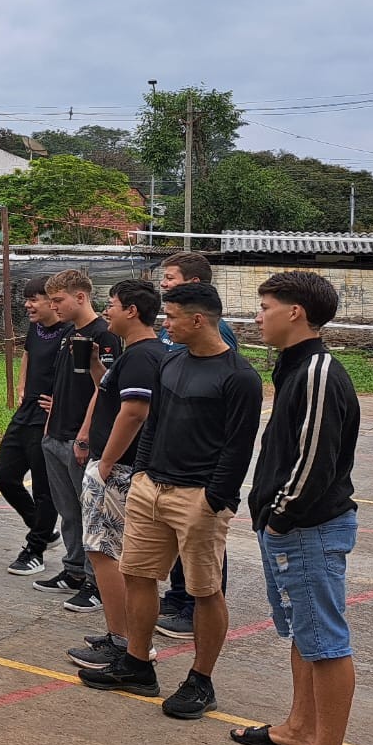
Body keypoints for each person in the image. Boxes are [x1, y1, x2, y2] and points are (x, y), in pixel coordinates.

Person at [79, 282, 264, 721]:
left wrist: (214, 499)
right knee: (138, 574)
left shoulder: (240, 376)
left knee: (204, 590)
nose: (166, 324)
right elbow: (154, 421)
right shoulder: (172, 360)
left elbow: (238, 449)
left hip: (198, 497)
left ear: (198, 319)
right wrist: (142, 473)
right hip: (150, 488)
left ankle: (201, 680)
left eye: (173, 317)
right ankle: (138, 665)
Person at [236, 271, 360, 745]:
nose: (257, 315)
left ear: (295, 313)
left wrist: (281, 515)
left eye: (265, 306)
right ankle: (299, 730)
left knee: (325, 641)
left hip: (308, 528)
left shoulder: (316, 372)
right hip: (290, 527)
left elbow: (315, 460)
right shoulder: (294, 367)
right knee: (304, 634)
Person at [66, 279, 167, 671]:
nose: (106, 311)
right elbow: (113, 397)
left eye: (112, 304)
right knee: (107, 552)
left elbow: (135, 412)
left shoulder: (143, 355)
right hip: (121, 467)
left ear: (132, 311)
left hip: (120, 470)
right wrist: (95, 367)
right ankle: (121, 635)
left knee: (105, 553)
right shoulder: (133, 355)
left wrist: (106, 462)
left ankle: (124, 640)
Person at [154, 251, 237, 641]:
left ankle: (194, 607)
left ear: (195, 286)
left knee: (202, 541)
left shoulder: (221, 342)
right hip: (168, 462)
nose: (164, 283)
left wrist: (217, 491)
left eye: (171, 278)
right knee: (173, 535)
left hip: (201, 469)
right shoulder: (174, 337)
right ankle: (177, 596)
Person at [37, 269, 122, 612]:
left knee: (91, 514)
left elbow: (103, 390)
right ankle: (73, 570)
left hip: (79, 437)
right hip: (56, 432)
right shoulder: (68, 333)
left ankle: (95, 581)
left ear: (81, 297)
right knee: (68, 510)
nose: (53, 306)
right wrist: (49, 423)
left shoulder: (105, 335)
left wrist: (85, 433)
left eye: (58, 300)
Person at [0, 276, 68, 576]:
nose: (27, 305)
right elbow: (28, 354)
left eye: (33, 299)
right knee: (4, 475)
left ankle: (35, 549)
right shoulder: (37, 329)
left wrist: (61, 406)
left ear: (52, 301)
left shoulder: (70, 332)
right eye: (26, 299)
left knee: (43, 487)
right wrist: (23, 385)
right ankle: (43, 528)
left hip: (49, 418)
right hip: (27, 412)